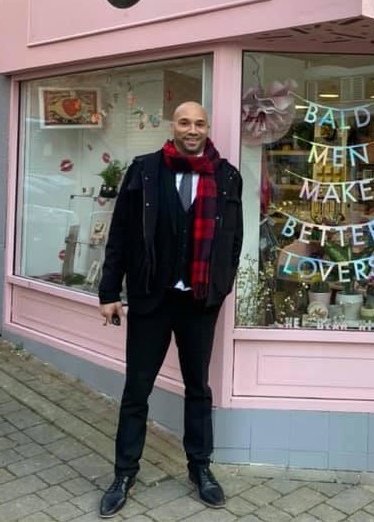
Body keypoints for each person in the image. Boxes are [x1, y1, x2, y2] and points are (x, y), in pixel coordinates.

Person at [97, 101, 243, 518]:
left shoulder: (227, 176)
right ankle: (124, 473)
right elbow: (120, 234)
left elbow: (233, 241)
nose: (192, 129)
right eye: (184, 122)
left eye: (199, 123)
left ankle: (201, 469)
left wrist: (221, 285)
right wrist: (110, 291)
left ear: (207, 127)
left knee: (198, 388)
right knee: (136, 390)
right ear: (172, 126)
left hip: (199, 303)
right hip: (150, 299)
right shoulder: (144, 170)